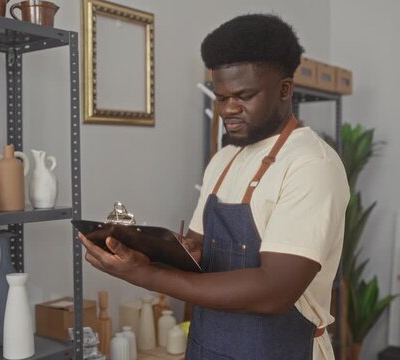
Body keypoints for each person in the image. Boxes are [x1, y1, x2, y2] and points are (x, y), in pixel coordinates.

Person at [79, 14, 350, 360]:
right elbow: (198, 255)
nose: (229, 109)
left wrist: (145, 274)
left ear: (285, 89)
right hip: (210, 346)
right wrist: (141, 249)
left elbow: (273, 293)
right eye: (221, 97)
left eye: (243, 95)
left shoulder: (311, 165)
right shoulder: (224, 160)